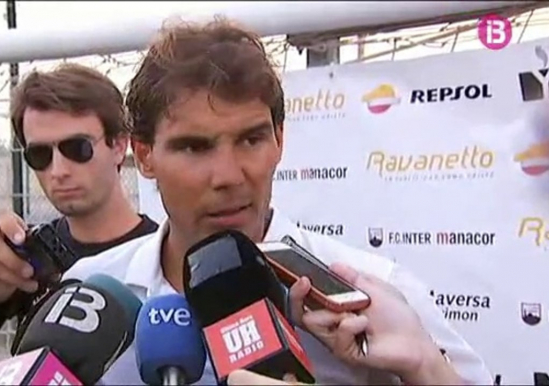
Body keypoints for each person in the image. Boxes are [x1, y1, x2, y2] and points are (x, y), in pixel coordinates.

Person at [61, 17, 493, 385]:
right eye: (195, 147)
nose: (229, 176)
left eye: (251, 139)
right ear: (144, 155)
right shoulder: (90, 295)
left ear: (279, 140)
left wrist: (426, 367)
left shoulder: (377, 296)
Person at [0, 63, 158, 346]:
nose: (58, 170)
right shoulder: (32, 254)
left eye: (77, 148)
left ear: (119, 146)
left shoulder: (163, 252)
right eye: (40, 154)